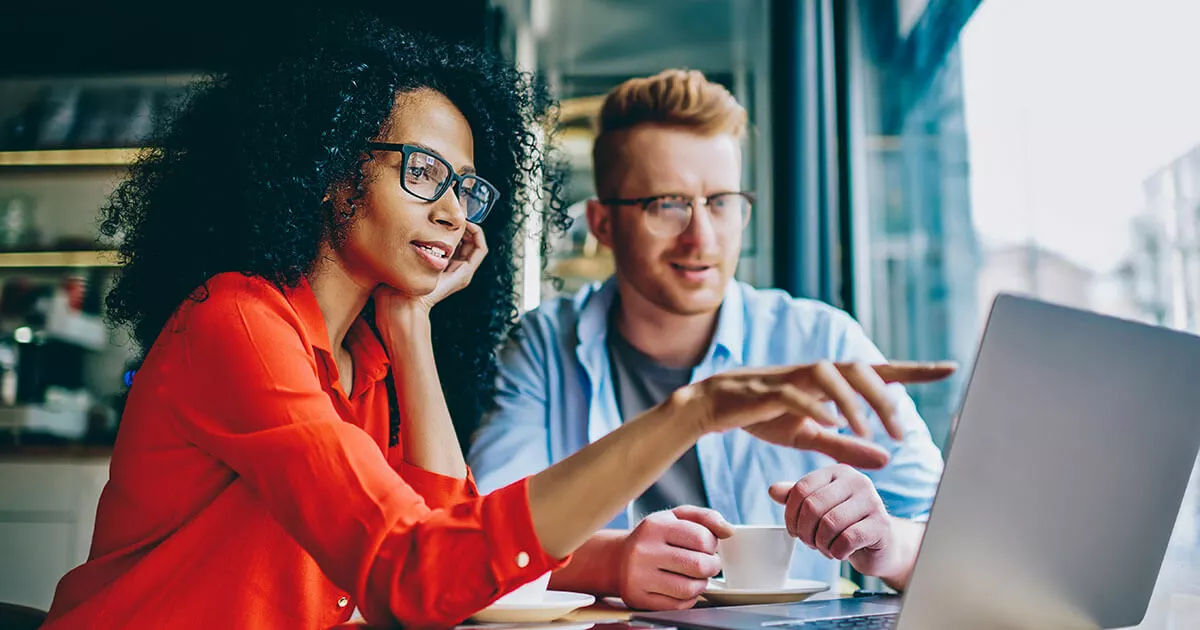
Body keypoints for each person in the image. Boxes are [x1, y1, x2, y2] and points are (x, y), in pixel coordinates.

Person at [468, 69, 949, 611]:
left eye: (721, 202)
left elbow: (955, 539)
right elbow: (480, 540)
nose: (702, 237)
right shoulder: (543, 345)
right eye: (667, 204)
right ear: (602, 224)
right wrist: (612, 561)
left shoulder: (821, 339)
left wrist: (887, 544)